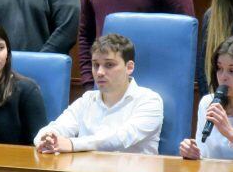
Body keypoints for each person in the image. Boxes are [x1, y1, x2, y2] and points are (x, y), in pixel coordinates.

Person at [34, 33, 163, 154]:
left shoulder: (149, 100)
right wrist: (47, 138)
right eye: (96, 65)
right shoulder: (87, 100)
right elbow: (58, 127)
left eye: (109, 65)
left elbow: (120, 138)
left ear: (129, 67)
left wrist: (72, 144)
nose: (100, 72)